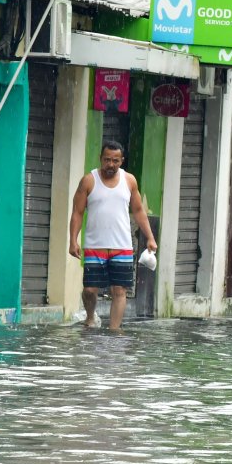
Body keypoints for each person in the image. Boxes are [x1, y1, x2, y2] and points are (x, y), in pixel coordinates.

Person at [68, 141, 157, 331]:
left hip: (122, 247)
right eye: (107, 160)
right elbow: (77, 212)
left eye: (115, 160)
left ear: (121, 161)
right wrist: (73, 240)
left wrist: (150, 237)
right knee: (90, 290)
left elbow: (139, 210)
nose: (111, 164)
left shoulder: (129, 180)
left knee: (119, 290)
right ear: (100, 159)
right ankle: (90, 317)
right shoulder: (88, 181)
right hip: (94, 246)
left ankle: (114, 331)